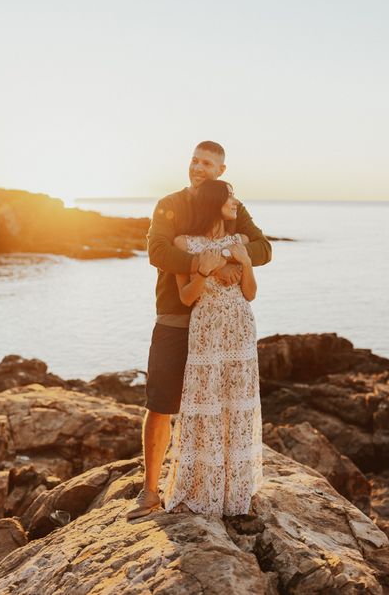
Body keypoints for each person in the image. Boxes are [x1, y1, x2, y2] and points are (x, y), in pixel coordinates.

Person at [126, 140, 271, 519]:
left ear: (220, 170)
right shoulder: (170, 205)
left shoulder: (229, 205)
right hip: (177, 319)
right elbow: (157, 252)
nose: (197, 167)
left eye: (207, 163)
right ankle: (150, 489)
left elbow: (263, 248)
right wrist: (203, 265)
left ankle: (219, 487)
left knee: (219, 407)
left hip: (223, 329)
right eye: (194, 159)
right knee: (161, 403)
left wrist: (228, 259)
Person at [163, 179, 263, 515]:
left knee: (237, 406)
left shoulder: (239, 242)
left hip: (239, 328)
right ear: (214, 202)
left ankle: (235, 490)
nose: (236, 202)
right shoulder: (184, 243)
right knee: (205, 401)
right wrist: (204, 272)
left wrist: (244, 263)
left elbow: (250, 293)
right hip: (206, 330)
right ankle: (203, 488)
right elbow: (186, 297)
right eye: (230, 196)